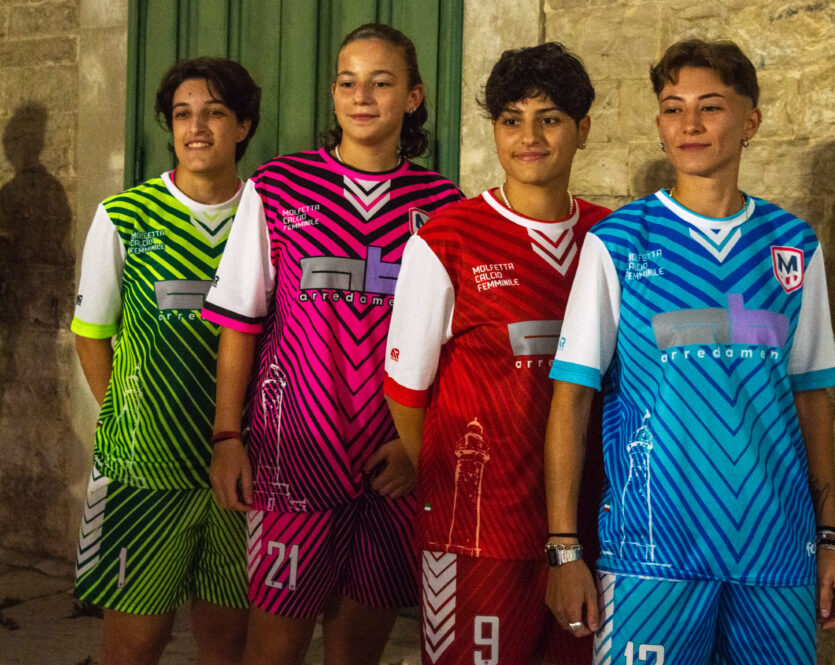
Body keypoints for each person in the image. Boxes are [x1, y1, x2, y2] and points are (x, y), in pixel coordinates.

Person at [544, 38, 835, 665]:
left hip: (776, 550)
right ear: (659, 125)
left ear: (750, 122)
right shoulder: (618, 242)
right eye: (672, 108)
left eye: (710, 107)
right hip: (652, 549)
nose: (689, 123)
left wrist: (830, 539)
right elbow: (572, 398)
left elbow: (812, 399)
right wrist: (564, 549)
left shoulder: (793, 245)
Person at [203, 23, 463, 665]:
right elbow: (240, 321)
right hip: (295, 454)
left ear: (414, 97)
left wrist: (416, 446)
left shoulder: (443, 205)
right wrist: (227, 436)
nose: (362, 96)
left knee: (357, 652)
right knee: (274, 648)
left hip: (390, 465)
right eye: (348, 82)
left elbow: (448, 349)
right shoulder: (279, 185)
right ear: (333, 93)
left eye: (382, 82)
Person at [384, 42, 608, 665]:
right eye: (512, 120)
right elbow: (405, 391)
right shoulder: (446, 239)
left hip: (590, 528)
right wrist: (456, 483)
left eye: (549, 119)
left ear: (583, 129)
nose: (528, 137)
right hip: (476, 537)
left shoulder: (611, 237)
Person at [71, 57, 261, 665]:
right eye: (182, 114)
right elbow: (91, 335)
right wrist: (131, 421)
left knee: (227, 642)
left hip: (242, 463)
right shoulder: (124, 216)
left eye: (214, 113)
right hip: (146, 471)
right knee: (135, 644)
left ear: (244, 126)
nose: (196, 128)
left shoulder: (268, 217)